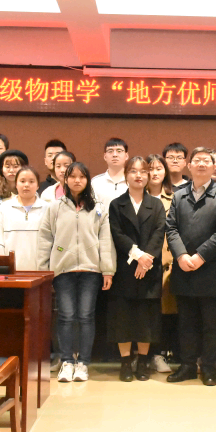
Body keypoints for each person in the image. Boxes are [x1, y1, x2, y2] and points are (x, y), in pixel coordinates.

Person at [37, 162, 116, 383]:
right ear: (66, 180)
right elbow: (45, 239)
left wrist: (108, 270)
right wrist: (44, 272)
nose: (77, 180)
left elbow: (105, 240)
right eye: (72, 176)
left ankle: (83, 363)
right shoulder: (54, 207)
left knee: (86, 316)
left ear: (87, 180)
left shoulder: (98, 207)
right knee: (66, 316)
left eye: (82, 176)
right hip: (63, 270)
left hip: (91, 270)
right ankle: (67, 362)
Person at [165, 147, 216, 386]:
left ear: (214, 166)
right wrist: (181, 255)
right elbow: (171, 228)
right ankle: (186, 366)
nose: (202, 164)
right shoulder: (178, 195)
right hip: (184, 268)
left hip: (212, 270)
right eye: (197, 160)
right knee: (186, 323)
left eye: (207, 160)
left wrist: (201, 256)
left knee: (211, 325)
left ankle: (209, 368)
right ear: (190, 165)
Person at [108, 157, 166, 382]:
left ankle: (143, 362)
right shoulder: (117, 204)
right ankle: (125, 363)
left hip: (149, 270)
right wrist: (137, 255)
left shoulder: (156, 204)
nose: (138, 175)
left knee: (146, 319)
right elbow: (117, 233)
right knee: (123, 318)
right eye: (133, 171)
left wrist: (146, 259)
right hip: (125, 269)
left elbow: (159, 232)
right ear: (126, 175)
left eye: (143, 171)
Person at [146, 154, 176, 373]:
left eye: (159, 168)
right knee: (145, 311)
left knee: (165, 313)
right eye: (150, 169)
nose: (154, 173)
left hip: (168, 263)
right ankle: (142, 356)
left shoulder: (175, 198)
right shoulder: (137, 197)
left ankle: (159, 354)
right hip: (143, 262)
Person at [0, 166, 48, 270]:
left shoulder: (48, 209)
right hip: (10, 271)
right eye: (22, 181)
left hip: (40, 270)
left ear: (38, 185)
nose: (26, 185)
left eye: (31, 181)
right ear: (16, 184)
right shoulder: (4, 208)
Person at [91, 138, 129, 206]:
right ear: (105, 156)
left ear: (126, 156)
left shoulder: (132, 181)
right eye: (110, 151)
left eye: (119, 151)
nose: (115, 155)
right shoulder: (95, 182)